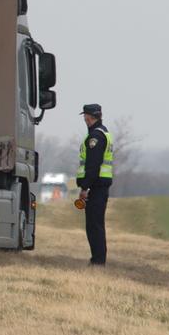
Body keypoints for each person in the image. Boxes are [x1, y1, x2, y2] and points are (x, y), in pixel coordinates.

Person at [76, 104, 114, 265]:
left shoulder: (95, 137)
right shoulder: (103, 132)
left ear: (90, 117)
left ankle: (98, 261)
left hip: (96, 187)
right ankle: (98, 259)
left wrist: (85, 188)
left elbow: (92, 165)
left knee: (94, 226)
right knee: (95, 224)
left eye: (86, 116)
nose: (85, 119)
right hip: (99, 186)